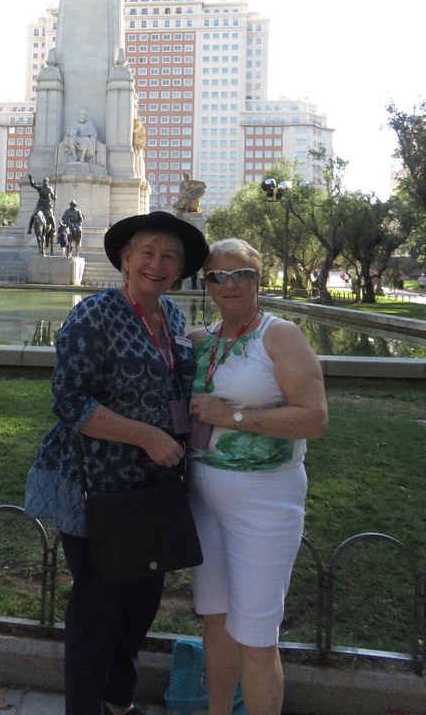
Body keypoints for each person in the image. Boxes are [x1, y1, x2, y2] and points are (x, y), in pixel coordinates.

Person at [25, 212, 209, 715]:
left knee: (139, 609)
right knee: (98, 613)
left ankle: (117, 702)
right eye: (147, 253)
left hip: (151, 489)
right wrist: (147, 436)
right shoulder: (94, 315)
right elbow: (69, 402)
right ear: (126, 260)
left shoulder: (171, 318)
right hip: (96, 487)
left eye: (169, 256)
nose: (157, 264)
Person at [186, 238, 328, 715]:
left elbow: (315, 418)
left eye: (241, 274)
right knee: (215, 621)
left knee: (255, 638)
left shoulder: (280, 336)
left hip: (264, 504)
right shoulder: (205, 340)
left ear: (258, 279)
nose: (229, 284)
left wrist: (235, 419)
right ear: (205, 285)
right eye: (217, 276)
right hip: (204, 502)